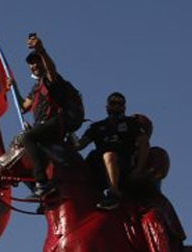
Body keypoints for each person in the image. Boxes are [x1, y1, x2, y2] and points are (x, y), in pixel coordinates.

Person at [15, 34, 72, 199]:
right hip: (42, 128)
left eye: (37, 61)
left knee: (28, 138)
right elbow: (23, 107)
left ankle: (42, 183)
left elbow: (51, 70)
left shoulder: (50, 79)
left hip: (54, 124)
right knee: (20, 155)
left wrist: (41, 50)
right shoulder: (35, 88)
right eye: (31, 63)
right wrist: (14, 87)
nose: (34, 65)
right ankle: (42, 193)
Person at [75, 92, 149, 210]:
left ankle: (113, 194)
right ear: (107, 106)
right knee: (79, 162)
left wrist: (139, 169)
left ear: (124, 107)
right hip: (99, 164)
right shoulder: (96, 126)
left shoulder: (131, 124)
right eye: (113, 103)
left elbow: (144, 143)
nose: (116, 106)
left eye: (119, 104)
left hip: (122, 163)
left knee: (109, 155)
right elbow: (80, 145)